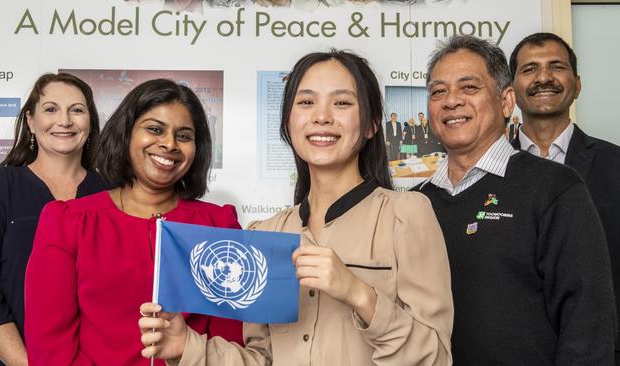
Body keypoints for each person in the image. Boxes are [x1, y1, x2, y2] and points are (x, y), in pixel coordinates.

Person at [138, 50, 453, 365]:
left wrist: (359, 293)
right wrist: (187, 347)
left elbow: (436, 358)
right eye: (306, 102)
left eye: (341, 102)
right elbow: (262, 358)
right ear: (288, 121)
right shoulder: (266, 234)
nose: (321, 116)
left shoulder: (407, 214)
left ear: (371, 124)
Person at [414, 35, 616, 365]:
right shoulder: (415, 203)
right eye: (438, 91)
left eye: (469, 87)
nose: (451, 101)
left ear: (507, 101)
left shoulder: (555, 187)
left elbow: (588, 320)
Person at [24, 79, 243, 365]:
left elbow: (231, 342)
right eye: (155, 129)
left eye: (184, 136)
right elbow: (50, 348)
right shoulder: (69, 222)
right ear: (126, 134)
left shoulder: (219, 226)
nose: (169, 144)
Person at [0, 73, 108, 366]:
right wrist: (25, 363)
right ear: (31, 121)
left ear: (90, 123)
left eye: (77, 110)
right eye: (51, 109)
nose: (65, 120)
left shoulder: (112, 194)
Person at [509, 31, 620, 363]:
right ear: (511, 90)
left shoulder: (615, 166)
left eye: (556, 67)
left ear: (577, 84)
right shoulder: (487, 170)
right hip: (512, 352)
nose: (544, 77)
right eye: (529, 69)